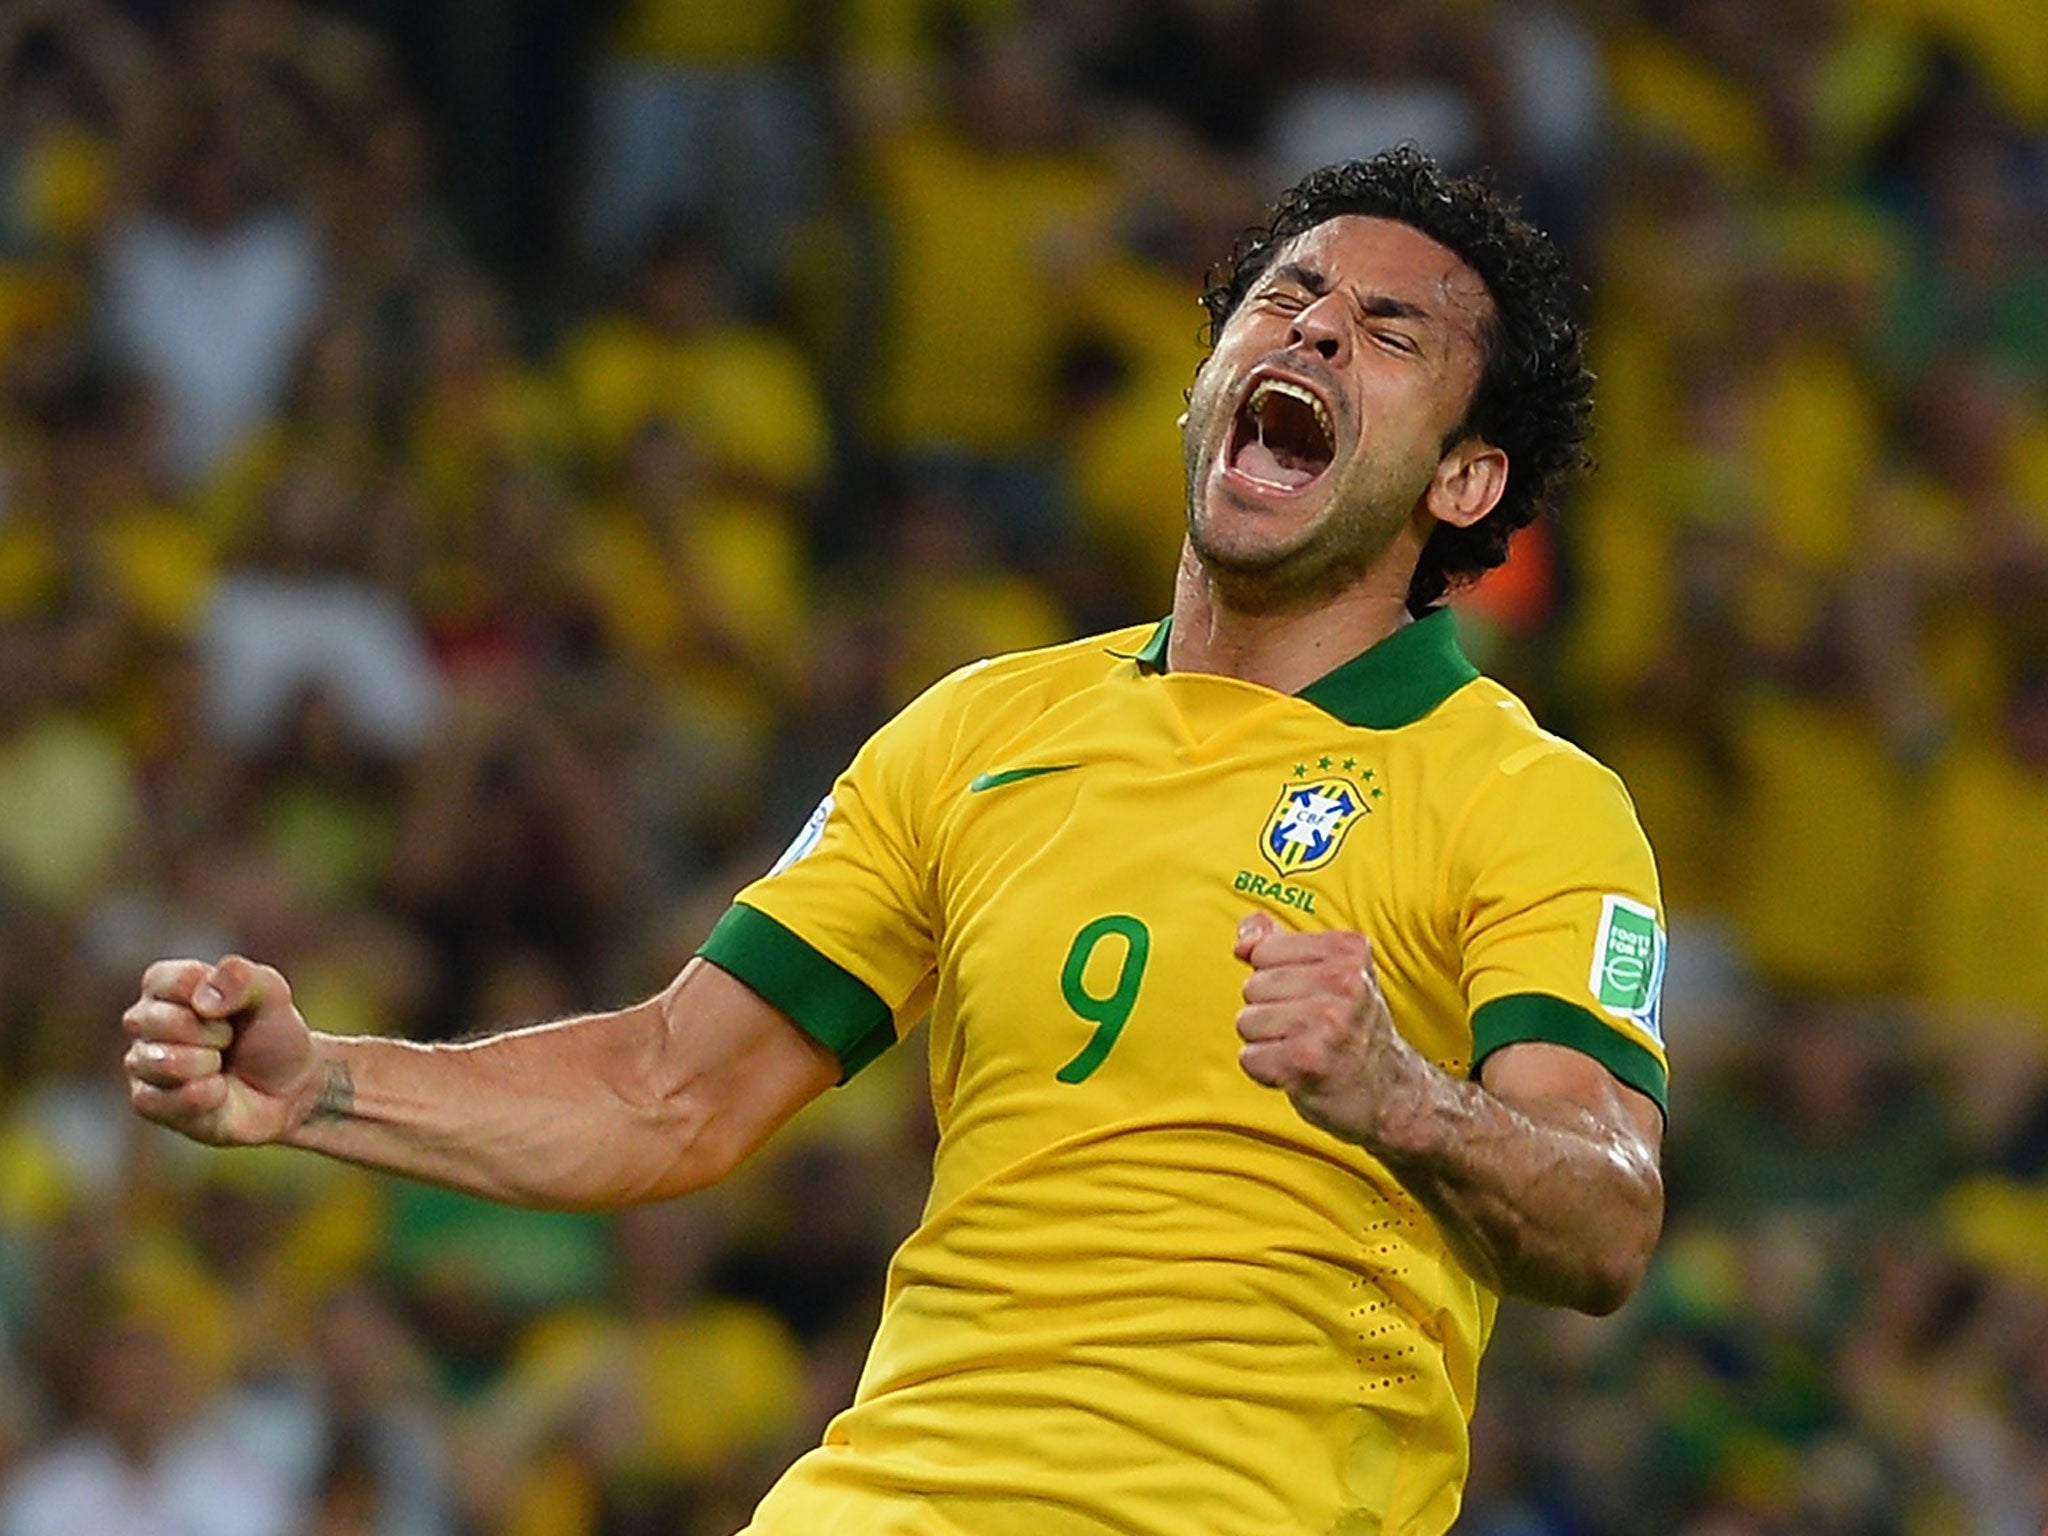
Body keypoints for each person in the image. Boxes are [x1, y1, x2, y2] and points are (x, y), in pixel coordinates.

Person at [124, 147, 1668, 1536]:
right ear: (1206, 385)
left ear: (1466, 481)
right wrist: (318, 1083)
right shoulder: (980, 731)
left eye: (1392, 332)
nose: (1318, 329)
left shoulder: (1524, 797)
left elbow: (1605, 1214)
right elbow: (668, 1090)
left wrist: (1407, 1099)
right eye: (1289, 296)